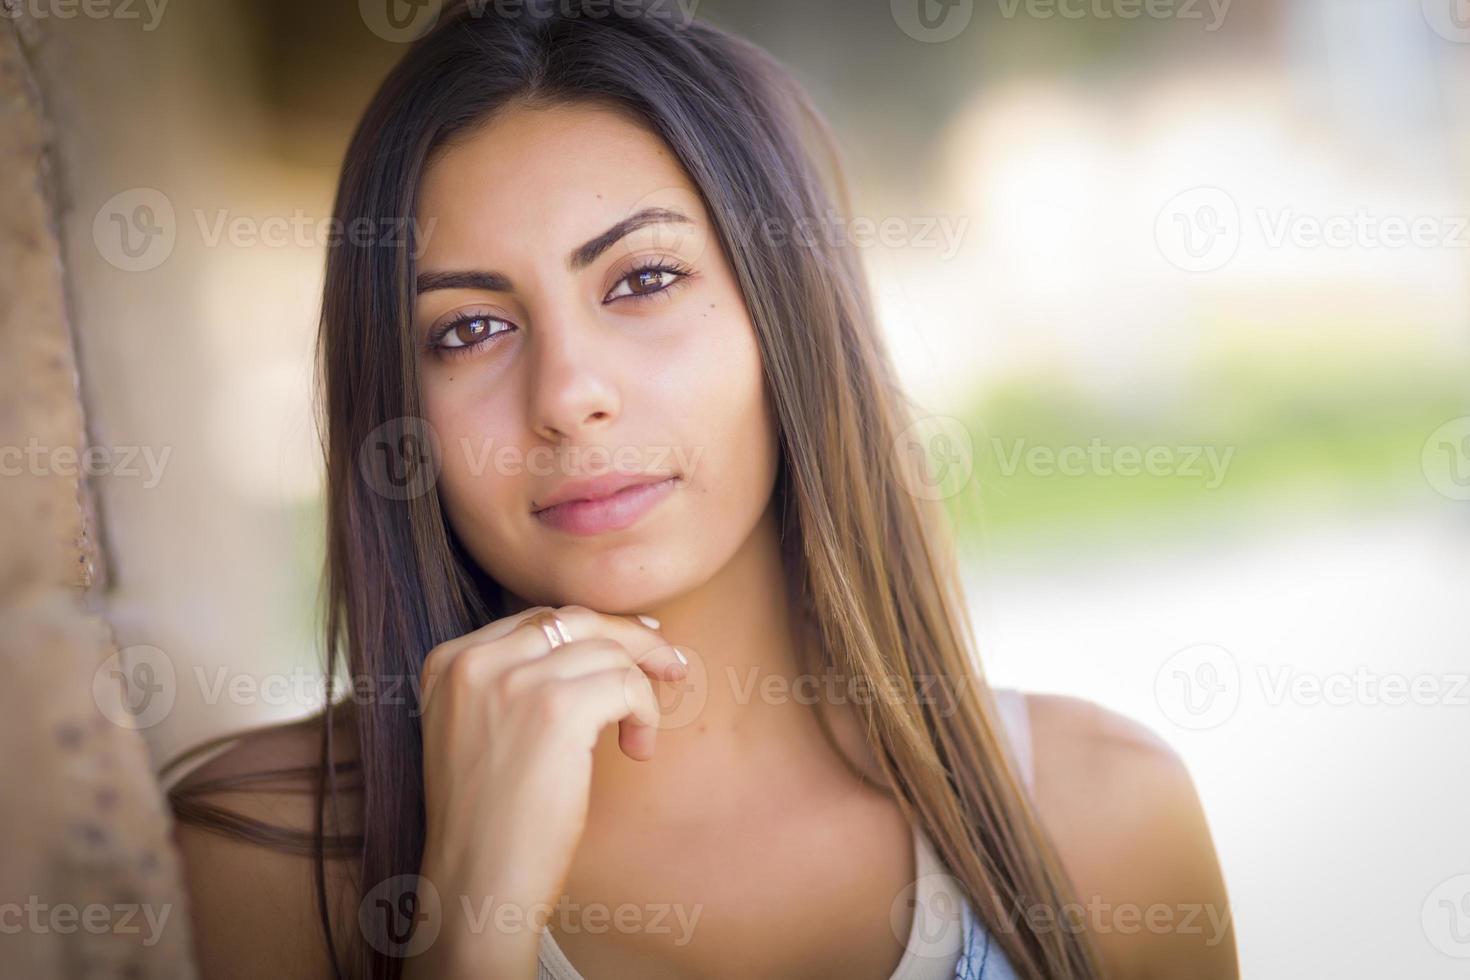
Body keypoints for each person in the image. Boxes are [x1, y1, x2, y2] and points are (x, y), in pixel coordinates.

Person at [164, 3, 1236, 978]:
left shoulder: (1109, 819)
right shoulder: (259, 862)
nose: (569, 394)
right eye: (470, 328)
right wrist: (467, 919)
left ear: (791, 316)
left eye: (643, 279)